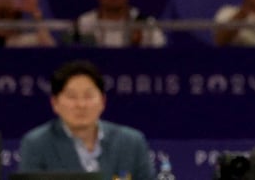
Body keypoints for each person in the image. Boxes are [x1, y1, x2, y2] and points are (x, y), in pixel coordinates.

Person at [18, 60, 154, 180]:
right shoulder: (36, 144)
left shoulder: (131, 142)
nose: (81, 104)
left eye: (88, 96)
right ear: (55, 103)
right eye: (72, 96)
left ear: (103, 101)